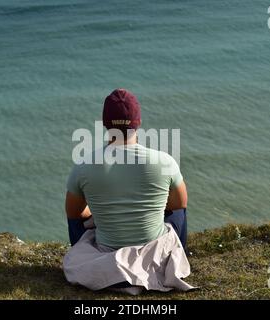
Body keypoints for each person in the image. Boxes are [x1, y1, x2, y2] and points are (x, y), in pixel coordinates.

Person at [63, 89, 195, 294]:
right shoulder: (164, 161)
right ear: (138, 122)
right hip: (155, 251)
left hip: (107, 250)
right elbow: (179, 204)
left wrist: (99, 213)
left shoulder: (84, 165)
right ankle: (167, 261)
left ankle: (110, 270)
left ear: (105, 124)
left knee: (79, 218)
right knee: (177, 212)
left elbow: (74, 214)